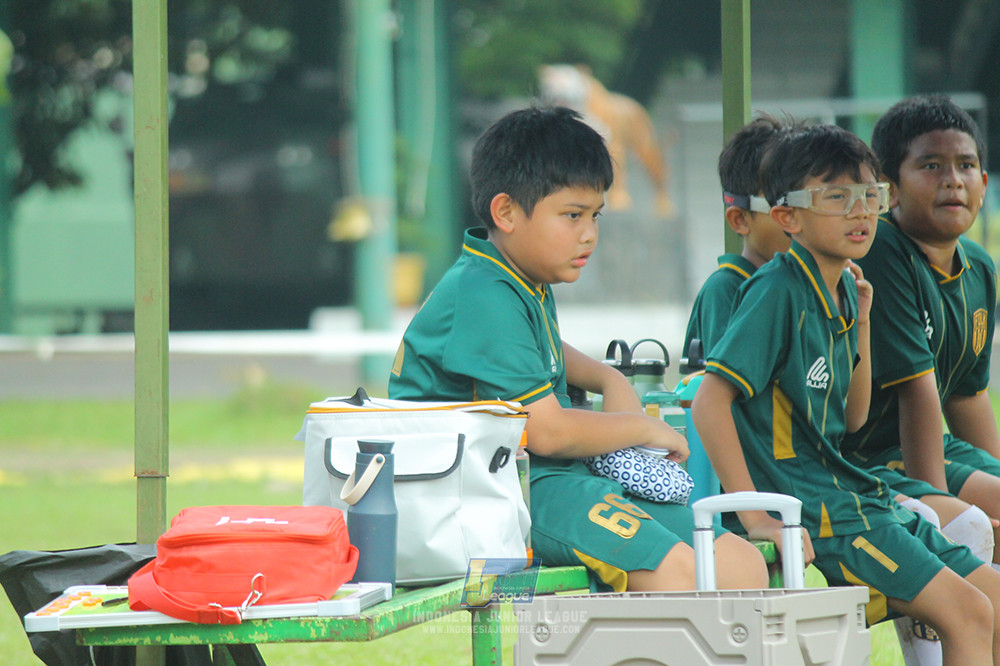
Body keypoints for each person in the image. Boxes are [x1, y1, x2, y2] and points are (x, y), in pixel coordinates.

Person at [388, 105, 768, 593]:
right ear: (506, 212)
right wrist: (640, 426)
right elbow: (546, 433)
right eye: (572, 215)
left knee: (738, 562)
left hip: (553, 478)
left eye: (595, 215)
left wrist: (607, 378)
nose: (589, 233)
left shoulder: (516, 275)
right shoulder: (482, 293)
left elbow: (538, 349)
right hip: (506, 491)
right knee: (681, 573)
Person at [692, 124, 1000, 664]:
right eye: (837, 198)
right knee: (971, 613)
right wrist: (756, 514)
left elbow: (852, 419)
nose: (860, 213)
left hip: (855, 492)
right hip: (821, 509)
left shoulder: (839, 285)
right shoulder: (776, 289)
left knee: (991, 601)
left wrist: (860, 322)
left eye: (869, 197)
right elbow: (708, 401)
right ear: (787, 216)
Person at [841, 94, 1000, 565]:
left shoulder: (980, 268)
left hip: (934, 447)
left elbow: (967, 395)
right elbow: (917, 389)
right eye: (931, 166)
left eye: (966, 165)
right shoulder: (884, 249)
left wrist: (993, 475)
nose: (953, 180)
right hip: (867, 455)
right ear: (890, 190)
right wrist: (941, 510)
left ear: (984, 183)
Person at [682, 113, 794, 362]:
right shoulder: (726, 290)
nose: (799, 219)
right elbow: (725, 392)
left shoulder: (816, 283)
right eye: (785, 204)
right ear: (740, 219)